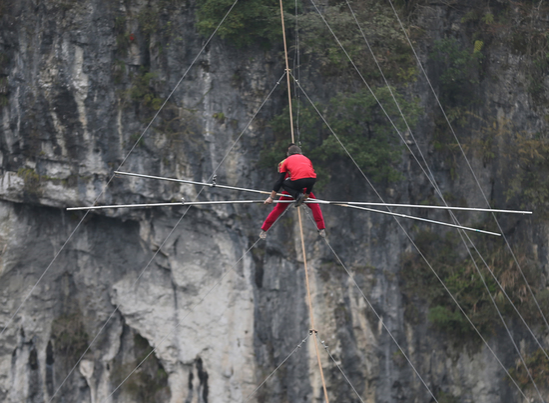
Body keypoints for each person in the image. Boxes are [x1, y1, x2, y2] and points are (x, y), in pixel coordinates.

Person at [260, 144, 326, 239]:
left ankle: (263, 230)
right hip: (301, 189)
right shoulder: (304, 159)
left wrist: (271, 197)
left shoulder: (285, 162)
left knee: (279, 209)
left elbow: (282, 180)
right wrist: (305, 196)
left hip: (294, 189)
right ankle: (321, 229)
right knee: (314, 205)